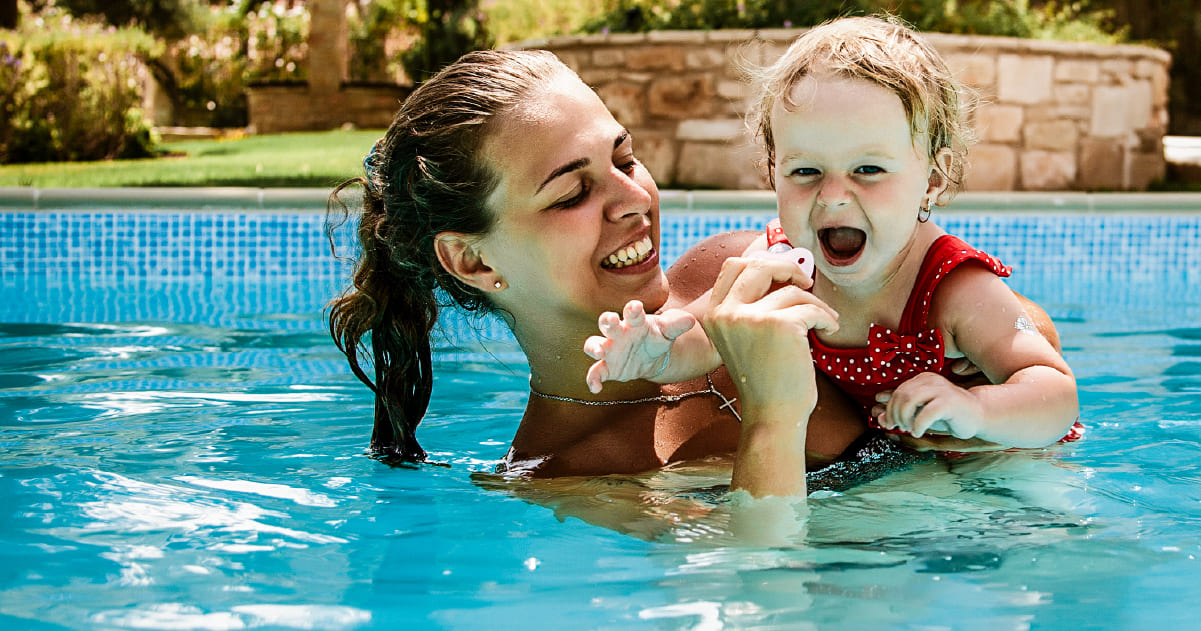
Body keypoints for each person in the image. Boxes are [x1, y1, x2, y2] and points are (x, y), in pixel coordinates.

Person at [325, 48, 871, 501]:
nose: (634, 199)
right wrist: (775, 415)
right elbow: (761, 592)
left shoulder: (732, 271)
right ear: (474, 261)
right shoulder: (566, 483)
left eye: (625, 158)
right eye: (572, 194)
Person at [584, 16, 1080, 450]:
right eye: (806, 173)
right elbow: (707, 336)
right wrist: (656, 351)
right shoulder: (780, 263)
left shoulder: (951, 288)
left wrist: (978, 412)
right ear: (773, 171)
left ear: (931, 179)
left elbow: (1054, 393)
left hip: (998, 458)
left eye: (867, 169)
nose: (834, 196)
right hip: (893, 469)